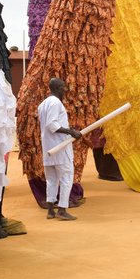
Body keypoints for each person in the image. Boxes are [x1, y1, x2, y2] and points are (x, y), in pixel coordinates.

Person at [38, 78, 82, 221]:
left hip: (48, 149)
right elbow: (52, 125)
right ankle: (62, 210)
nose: (65, 90)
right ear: (57, 88)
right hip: (59, 148)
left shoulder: (43, 104)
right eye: (63, 87)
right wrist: (71, 132)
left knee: (51, 180)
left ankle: (51, 210)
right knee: (66, 177)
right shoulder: (56, 103)